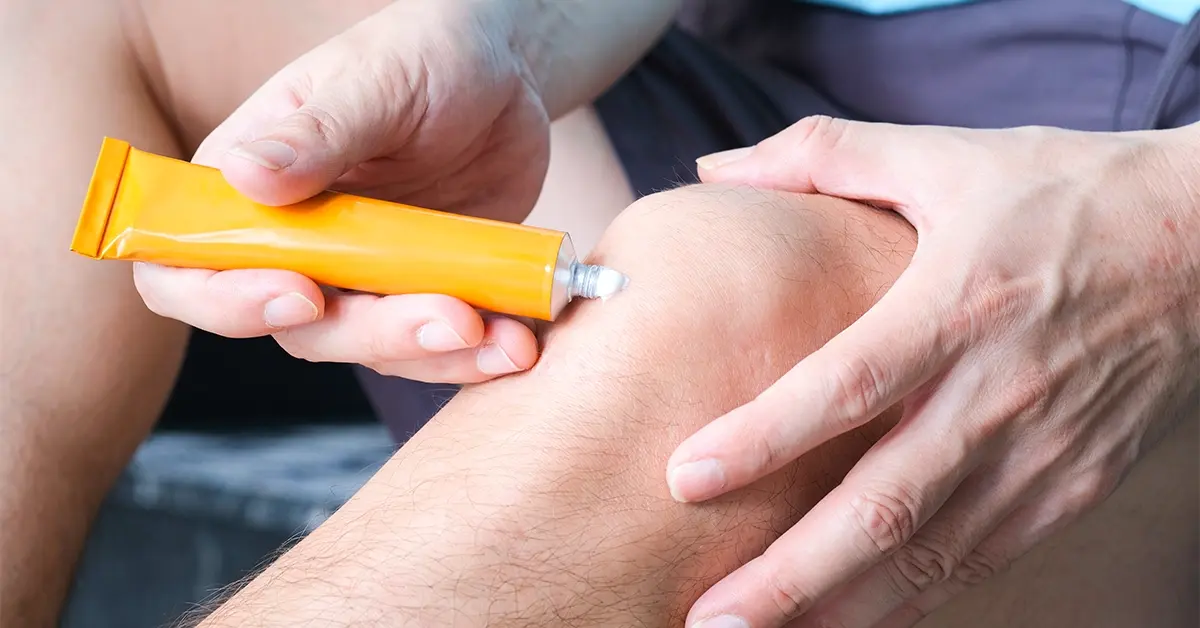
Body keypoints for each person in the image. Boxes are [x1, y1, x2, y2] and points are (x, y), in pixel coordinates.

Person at [0, 0, 1196, 626]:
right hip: (754, 80)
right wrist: (513, 35)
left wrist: (1168, 237)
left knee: (733, 320)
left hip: (1134, 181)